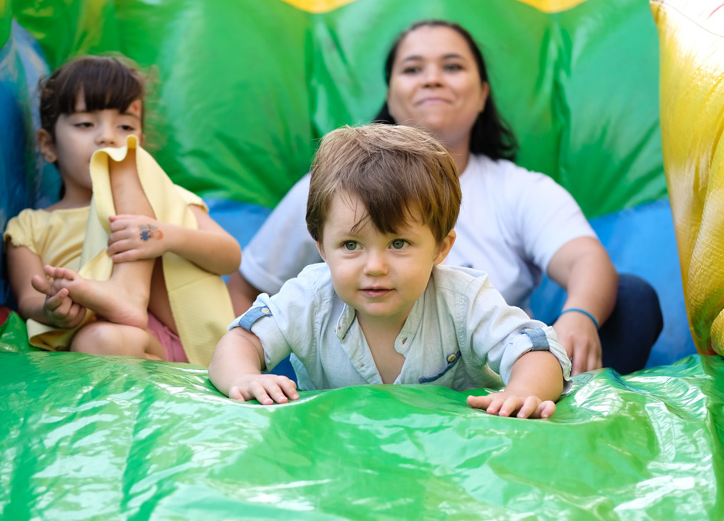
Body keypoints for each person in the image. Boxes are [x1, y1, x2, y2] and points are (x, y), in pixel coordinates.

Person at [226, 19, 662, 375]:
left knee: (631, 300)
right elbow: (250, 286)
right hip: (347, 380)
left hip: (483, 379)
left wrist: (579, 318)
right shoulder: (336, 189)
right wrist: (258, 373)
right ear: (391, 96)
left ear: (482, 94)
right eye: (413, 69)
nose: (432, 78)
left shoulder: (516, 190)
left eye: (452, 67)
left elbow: (586, 259)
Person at [210, 125, 571, 419]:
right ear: (321, 248)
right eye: (351, 245)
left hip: (450, 461)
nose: (375, 267)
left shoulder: (463, 300)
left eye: (398, 244)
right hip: (341, 460)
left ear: (441, 248)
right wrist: (243, 376)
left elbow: (535, 349)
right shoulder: (310, 298)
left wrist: (524, 391)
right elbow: (241, 340)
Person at [5, 55, 241, 364]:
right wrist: (52, 309)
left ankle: (128, 290)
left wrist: (165, 236)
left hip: (182, 338)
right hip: (121, 347)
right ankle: (123, 300)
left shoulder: (163, 199)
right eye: (86, 124)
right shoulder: (30, 226)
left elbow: (230, 254)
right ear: (48, 144)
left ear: (141, 143)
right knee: (98, 339)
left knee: (121, 163)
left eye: (126, 126)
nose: (108, 137)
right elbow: (28, 298)